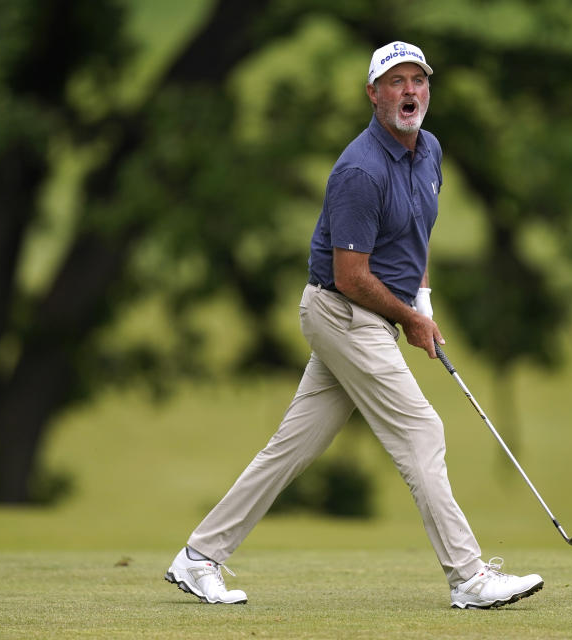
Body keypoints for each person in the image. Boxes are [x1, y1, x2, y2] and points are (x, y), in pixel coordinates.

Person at [165, 41, 543, 609]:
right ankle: (469, 578)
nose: (409, 91)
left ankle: (198, 558)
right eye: (395, 82)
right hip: (343, 312)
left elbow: (416, 235)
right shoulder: (359, 172)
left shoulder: (430, 151)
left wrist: (424, 300)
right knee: (422, 432)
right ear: (373, 94)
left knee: (292, 446)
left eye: (418, 80)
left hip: (371, 315)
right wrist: (409, 318)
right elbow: (350, 276)